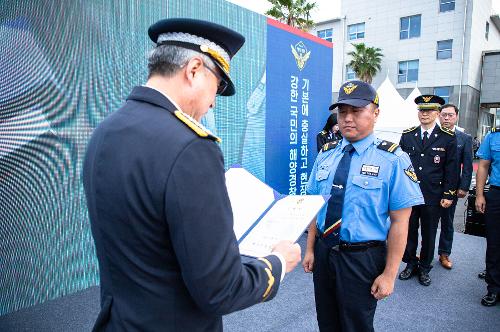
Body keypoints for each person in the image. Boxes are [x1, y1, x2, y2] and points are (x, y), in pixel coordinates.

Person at [82, 18, 301, 331]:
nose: (213, 102)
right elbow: (220, 289)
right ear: (194, 69)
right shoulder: (190, 147)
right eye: (219, 86)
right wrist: (277, 264)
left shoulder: (105, 132)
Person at [303, 80, 424, 331]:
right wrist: (311, 249)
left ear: (375, 113)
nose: (348, 118)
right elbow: (315, 206)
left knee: (356, 324)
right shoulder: (326, 154)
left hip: (362, 258)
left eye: (356, 111)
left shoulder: (393, 159)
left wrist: (390, 274)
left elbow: (401, 222)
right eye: (342, 112)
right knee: (326, 321)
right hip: (325, 252)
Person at [399, 95, 458, 286]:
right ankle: (410, 263)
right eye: (421, 110)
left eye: (429, 110)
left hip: (433, 196)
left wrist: (448, 194)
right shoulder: (408, 135)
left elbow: (451, 169)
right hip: (409, 194)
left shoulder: (447, 138)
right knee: (409, 231)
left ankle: (424, 267)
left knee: (429, 233)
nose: (424, 114)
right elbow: (400, 165)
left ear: (437, 113)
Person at [437, 104, 473, 269]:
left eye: (450, 115)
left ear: (456, 117)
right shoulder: (433, 135)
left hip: (451, 188)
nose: (446, 118)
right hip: (431, 187)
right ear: (439, 116)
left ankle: (444, 254)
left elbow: (467, 165)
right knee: (427, 222)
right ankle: (425, 251)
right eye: (444, 115)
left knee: (447, 222)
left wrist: (464, 187)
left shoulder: (464, 138)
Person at [475, 126, 500, 306]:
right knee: (494, 243)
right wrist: (479, 194)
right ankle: (494, 288)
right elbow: (483, 166)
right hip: (497, 195)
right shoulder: (493, 136)